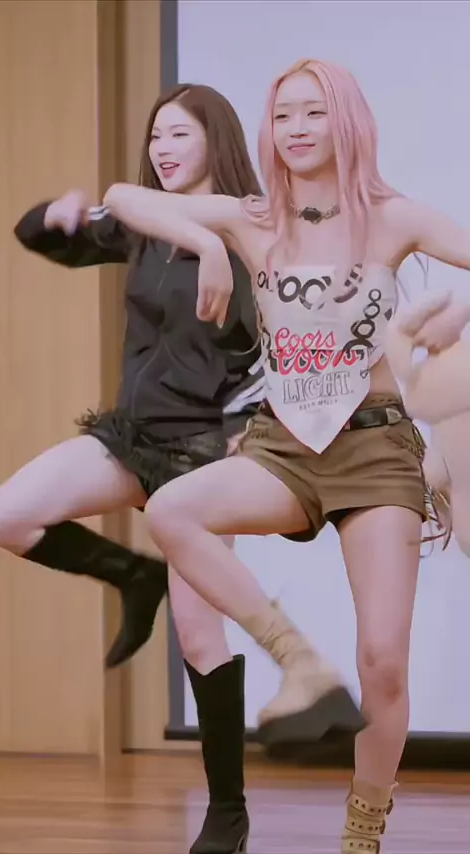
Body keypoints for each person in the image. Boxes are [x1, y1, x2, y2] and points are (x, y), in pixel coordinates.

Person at [99, 58, 470, 853]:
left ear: (347, 122)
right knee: (173, 509)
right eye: (283, 115)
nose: (296, 129)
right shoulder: (253, 216)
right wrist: (204, 239)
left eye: (313, 112)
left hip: (373, 450)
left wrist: (463, 307)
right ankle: (296, 658)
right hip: (282, 445)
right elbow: (123, 197)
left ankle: (362, 833)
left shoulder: (392, 218)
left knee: (384, 665)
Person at [0, 83, 280, 854]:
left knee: (199, 634)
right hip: (132, 437)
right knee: (6, 514)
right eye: (156, 136)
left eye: (179, 134)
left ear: (216, 140)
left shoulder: (251, 226)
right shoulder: (143, 222)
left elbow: (266, 353)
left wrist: (242, 444)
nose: (163, 148)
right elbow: (40, 234)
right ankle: (134, 576)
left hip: (204, 454)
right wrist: (53, 214)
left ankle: (227, 813)